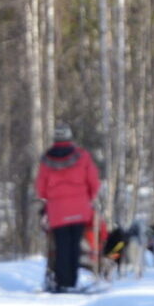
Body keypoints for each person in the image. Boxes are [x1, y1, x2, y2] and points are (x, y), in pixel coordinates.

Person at [35, 122, 100, 292]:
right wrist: (89, 198)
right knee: (75, 245)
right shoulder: (82, 156)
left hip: (57, 211)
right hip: (80, 209)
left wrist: (46, 199)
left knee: (61, 246)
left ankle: (62, 281)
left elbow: (40, 187)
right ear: (70, 137)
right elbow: (93, 180)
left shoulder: (46, 160)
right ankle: (72, 281)